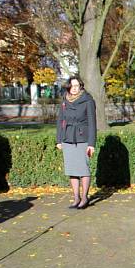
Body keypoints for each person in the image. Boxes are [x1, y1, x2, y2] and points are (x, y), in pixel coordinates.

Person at [55, 76, 96, 209]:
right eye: (72, 86)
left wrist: (91, 144)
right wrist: (59, 139)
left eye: (77, 86)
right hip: (68, 138)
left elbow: (92, 123)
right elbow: (61, 121)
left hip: (82, 138)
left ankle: (84, 198)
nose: (74, 89)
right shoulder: (64, 100)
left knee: (83, 169)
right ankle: (76, 198)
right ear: (68, 87)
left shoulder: (88, 100)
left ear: (81, 86)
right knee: (72, 170)